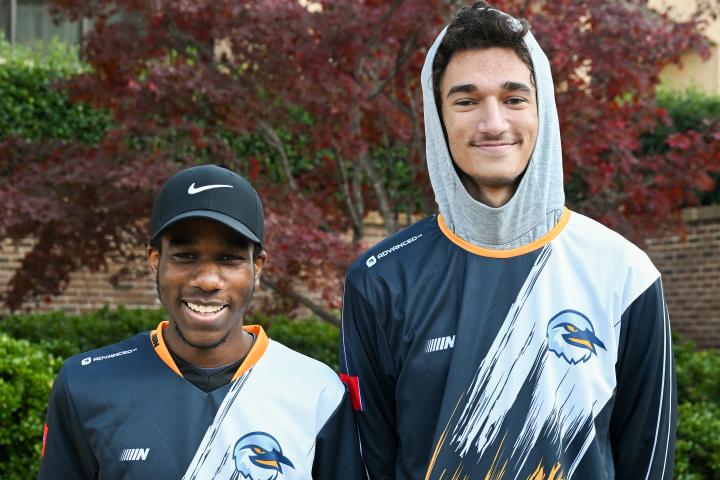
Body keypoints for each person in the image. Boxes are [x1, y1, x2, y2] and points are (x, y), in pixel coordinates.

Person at [338, 3, 676, 479]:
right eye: (466, 100)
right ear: (438, 119)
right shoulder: (380, 280)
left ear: (543, 111)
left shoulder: (624, 273)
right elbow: (365, 463)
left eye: (514, 98)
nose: (493, 123)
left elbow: (649, 461)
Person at [39, 164, 364, 479]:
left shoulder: (318, 392)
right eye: (185, 256)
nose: (208, 280)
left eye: (229, 258)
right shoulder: (87, 384)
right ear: (155, 260)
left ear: (258, 267)